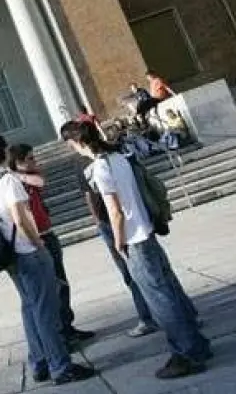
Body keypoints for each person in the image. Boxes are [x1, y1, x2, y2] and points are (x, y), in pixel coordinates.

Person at [63, 121, 211, 379]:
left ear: (77, 142)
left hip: (133, 238)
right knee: (168, 290)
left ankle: (187, 353)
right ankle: (196, 345)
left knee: (160, 300)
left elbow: (115, 211)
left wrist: (118, 241)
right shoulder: (119, 157)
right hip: (146, 230)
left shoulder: (100, 168)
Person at [0, 132, 96, 385]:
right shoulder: (8, 180)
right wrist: (38, 243)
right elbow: (20, 218)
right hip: (26, 250)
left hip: (8, 254)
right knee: (45, 311)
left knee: (30, 308)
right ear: (4, 151)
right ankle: (60, 366)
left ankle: (39, 362)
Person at [7, 143, 94, 344]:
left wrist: (18, 174)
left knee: (62, 283)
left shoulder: (25, 177)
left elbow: (40, 181)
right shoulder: (11, 184)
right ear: (18, 162)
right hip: (36, 238)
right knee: (52, 288)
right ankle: (60, 333)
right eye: (30, 158)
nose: (34, 161)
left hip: (47, 233)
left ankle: (67, 326)